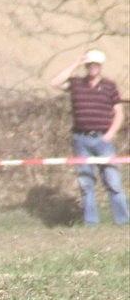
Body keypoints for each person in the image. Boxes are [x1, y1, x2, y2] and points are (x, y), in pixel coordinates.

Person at [50, 49, 129, 226]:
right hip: (80, 140)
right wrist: (76, 63)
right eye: (89, 65)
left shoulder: (109, 86)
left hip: (102, 139)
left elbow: (119, 113)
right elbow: (55, 82)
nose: (93, 68)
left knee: (113, 181)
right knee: (86, 183)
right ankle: (91, 222)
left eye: (95, 65)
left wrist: (110, 134)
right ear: (86, 66)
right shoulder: (76, 84)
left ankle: (123, 221)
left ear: (100, 67)